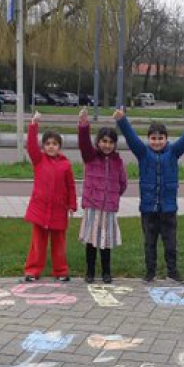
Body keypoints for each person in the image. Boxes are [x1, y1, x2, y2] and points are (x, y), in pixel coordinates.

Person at [115, 105, 184, 283]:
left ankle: (172, 271)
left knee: (170, 243)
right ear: (148, 139)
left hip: (168, 208)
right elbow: (131, 138)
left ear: (166, 139)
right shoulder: (142, 153)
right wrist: (121, 120)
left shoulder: (173, 152)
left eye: (161, 138)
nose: (157, 142)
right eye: (153, 138)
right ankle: (150, 272)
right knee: (150, 243)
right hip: (148, 208)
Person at [23, 111, 77, 282]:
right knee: (37, 243)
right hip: (40, 209)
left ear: (59, 146)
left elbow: (71, 186)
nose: (51, 146)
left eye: (54, 143)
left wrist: (72, 204)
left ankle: (60, 271)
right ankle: (32, 270)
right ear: (43, 146)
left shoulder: (66, 164)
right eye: (47, 144)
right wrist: (33, 125)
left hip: (59, 210)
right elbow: (31, 146)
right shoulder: (39, 160)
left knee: (59, 244)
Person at [77, 107, 127, 284]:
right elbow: (83, 144)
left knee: (106, 243)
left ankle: (106, 271)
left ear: (115, 144)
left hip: (109, 209)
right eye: (104, 141)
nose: (107, 145)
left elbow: (123, 183)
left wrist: (113, 196)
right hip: (93, 208)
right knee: (91, 242)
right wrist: (84, 124)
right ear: (98, 142)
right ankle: (90, 271)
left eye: (111, 142)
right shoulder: (91, 157)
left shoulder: (118, 161)